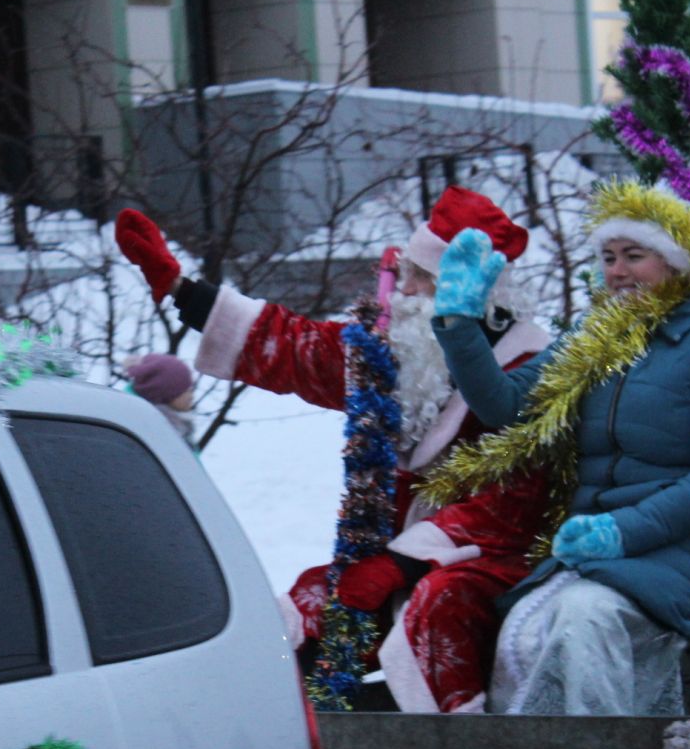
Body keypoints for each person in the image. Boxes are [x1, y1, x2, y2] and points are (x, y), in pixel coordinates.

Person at [114, 188, 551, 713]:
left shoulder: (527, 369)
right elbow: (301, 348)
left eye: (420, 279)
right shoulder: (401, 350)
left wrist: (402, 564)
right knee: (298, 617)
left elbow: (514, 502)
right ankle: (294, 734)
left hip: (487, 556)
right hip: (389, 551)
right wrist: (184, 291)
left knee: (438, 610)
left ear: (469, 293)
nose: (402, 292)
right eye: (404, 272)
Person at [423, 180, 690, 716]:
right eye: (608, 257)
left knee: (585, 620)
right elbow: (506, 406)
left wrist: (622, 531)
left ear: (677, 263)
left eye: (635, 255)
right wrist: (460, 325)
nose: (617, 271)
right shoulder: (596, 335)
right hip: (603, 547)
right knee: (525, 630)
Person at [124, 352, 198, 447]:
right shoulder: (159, 434)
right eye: (185, 390)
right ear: (165, 394)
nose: (191, 396)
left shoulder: (179, 427)